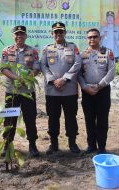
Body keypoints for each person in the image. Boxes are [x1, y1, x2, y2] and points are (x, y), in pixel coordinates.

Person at [40, 22, 81, 155]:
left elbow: (78, 63)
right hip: (52, 91)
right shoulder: (47, 49)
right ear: (52, 34)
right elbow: (43, 66)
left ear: (65, 33)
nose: (58, 34)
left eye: (61, 32)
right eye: (56, 32)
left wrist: (64, 78)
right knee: (53, 117)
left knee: (71, 117)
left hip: (69, 89)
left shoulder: (73, 47)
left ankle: (72, 143)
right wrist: (53, 80)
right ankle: (54, 144)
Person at [0, 25, 40, 157]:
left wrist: (27, 78)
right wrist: (17, 78)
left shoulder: (33, 51)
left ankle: (32, 146)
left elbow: (36, 68)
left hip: (28, 91)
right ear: (13, 36)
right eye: (17, 34)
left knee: (30, 119)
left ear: (26, 36)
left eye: (22, 34)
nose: (19, 36)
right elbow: (4, 68)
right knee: (9, 120)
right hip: (12, 92)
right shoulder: (7, 51)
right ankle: (7, 145)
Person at [78, 28, 115, 154]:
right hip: (87, 92)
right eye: (89, 37)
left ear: (100, 38)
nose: (92, 39)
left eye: (95, 37)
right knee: (89, 119)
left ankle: (102, 147)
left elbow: (111, 72)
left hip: (103, 91)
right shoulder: (82, 54)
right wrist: (84, 87)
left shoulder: (107, 52)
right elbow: (79, 74)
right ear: (87, 39)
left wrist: (99, 86)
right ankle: (91, 146)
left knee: (102, 120)